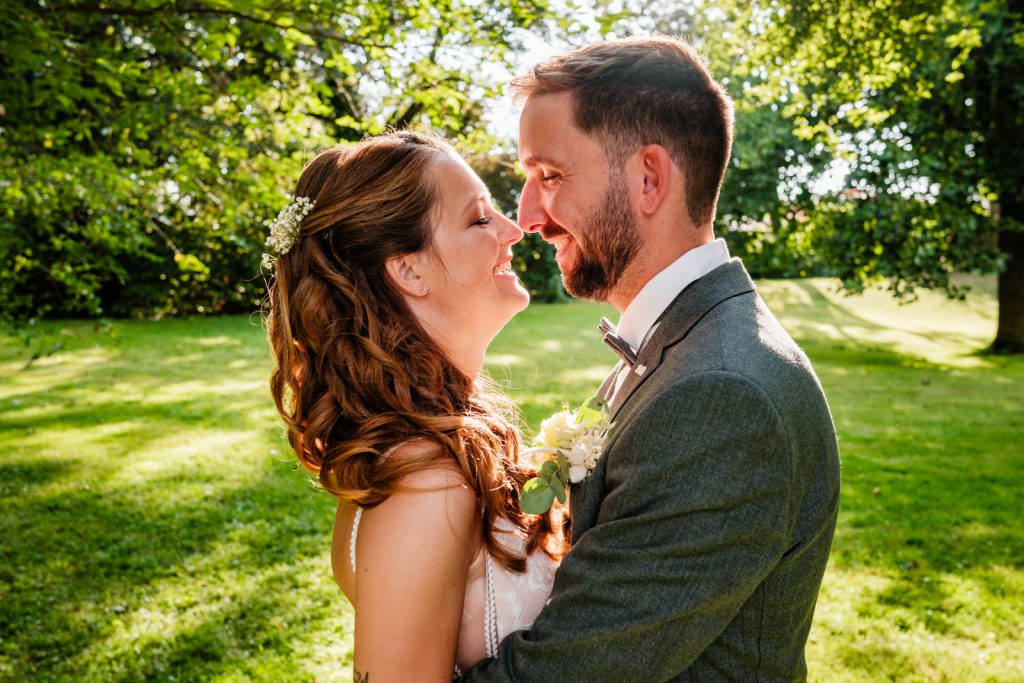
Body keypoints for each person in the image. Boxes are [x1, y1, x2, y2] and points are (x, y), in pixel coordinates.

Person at [461, 36, 841, 681]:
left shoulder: (721, 396)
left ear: (648, 178)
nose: (526, 216)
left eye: (549, 176)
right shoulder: (684, 341)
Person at [264, 130, 564, 680]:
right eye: (479, 220)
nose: (512, 230)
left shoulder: (431, 443)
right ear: (409, 270)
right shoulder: (427, 481)